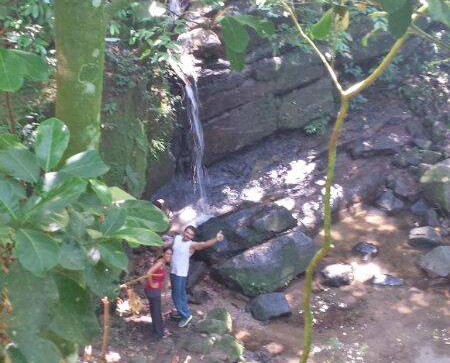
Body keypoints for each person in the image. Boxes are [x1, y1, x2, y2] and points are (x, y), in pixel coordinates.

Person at [165, 226, 224, 328]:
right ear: (184, 231)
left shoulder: (191, 245)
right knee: (182, 294)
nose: (188, 235)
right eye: (187, 232)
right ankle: (183, 312)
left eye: (191, 234)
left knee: (176, 296)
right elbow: (168, 244)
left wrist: (216, 239)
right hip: (173, 271)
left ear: (193, 237)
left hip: (181, 274)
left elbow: (204, 244)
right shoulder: (178, 238)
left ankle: (186, 316)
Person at [144, 247, 173, 340]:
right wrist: (152, 284)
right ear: (163, 253)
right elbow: (148, 273)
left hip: (153, 290)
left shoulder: (162, 263)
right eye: (167, 253)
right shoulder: (160, 262)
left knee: (154, 310)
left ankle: (157, 331)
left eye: (171, 254)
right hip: (152, 290)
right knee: (156, 311)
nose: (169, 256)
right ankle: (158, 334)